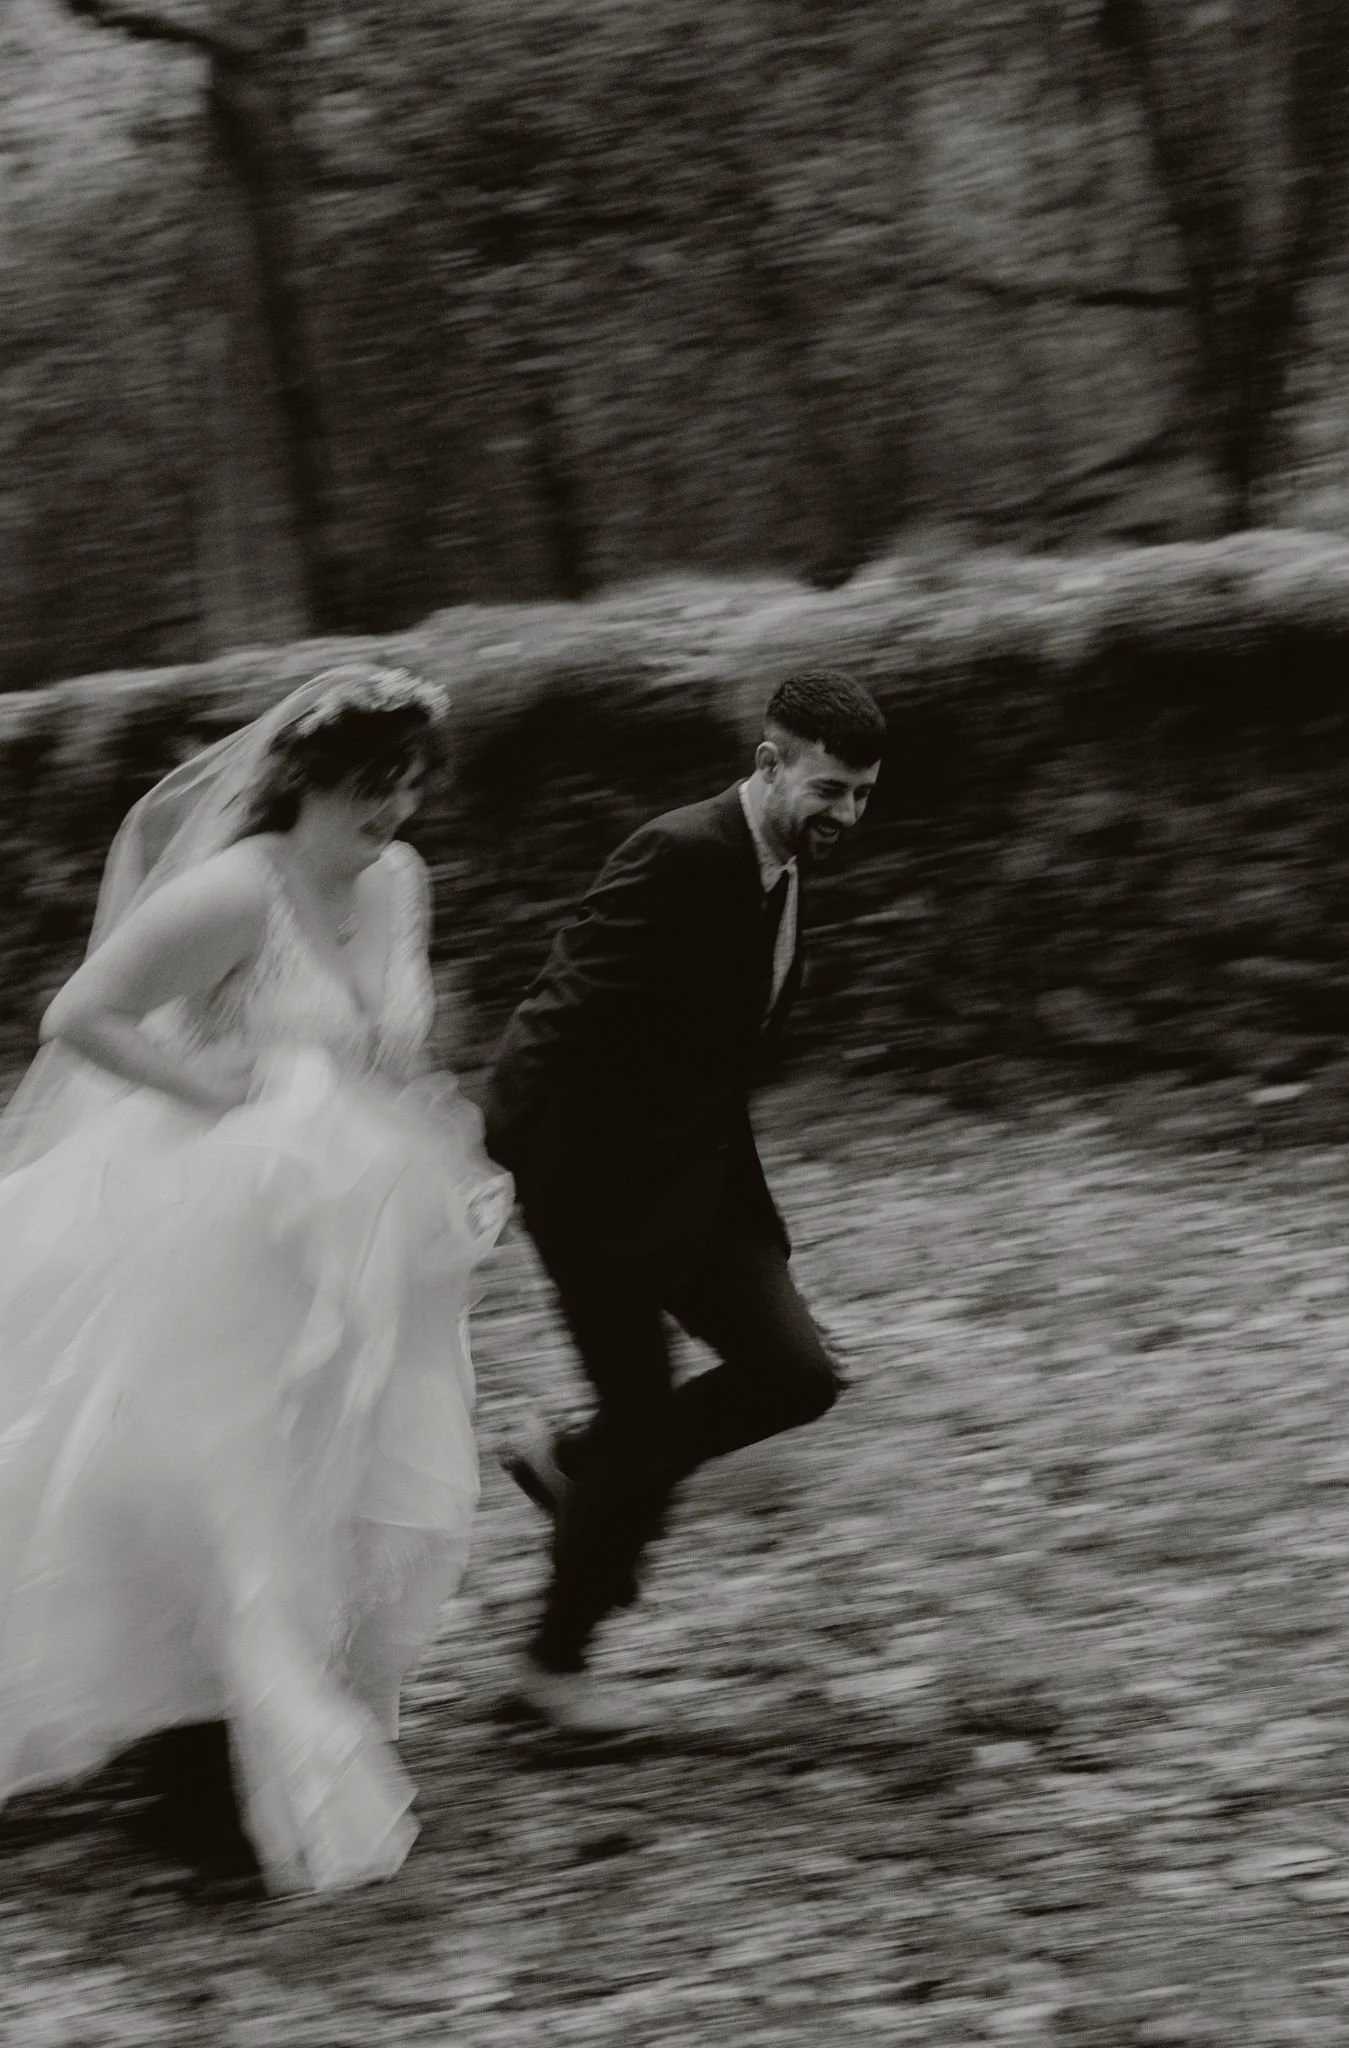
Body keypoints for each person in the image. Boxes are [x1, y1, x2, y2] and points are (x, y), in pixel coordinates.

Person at [0, 664, 511, 1893]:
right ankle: (201, 1778)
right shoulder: (238, 889)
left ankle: (242, 1733)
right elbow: (81, 1013)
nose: (393, 808)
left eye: (410, 784)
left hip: (349, 1236)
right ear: (306, 776)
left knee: (331, 1484)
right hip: (217, 1230)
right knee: (228, 1492)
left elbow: (388, 1040)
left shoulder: (399, 879)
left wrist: (425, 1137)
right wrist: (209, 1086)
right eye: (371, 784)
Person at [484, 669, 885, 1732]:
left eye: (862, 795)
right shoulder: (677, 851)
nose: (847, 816)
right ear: (769, 764)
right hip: (592, 1192)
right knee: (645, 1427)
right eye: (830, 790)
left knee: (797, 1374)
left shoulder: (783, 867)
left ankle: (571, 1463)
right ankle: (551, 1670)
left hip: (701, 1186)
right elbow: (558, 1005)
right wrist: (501, 1153)